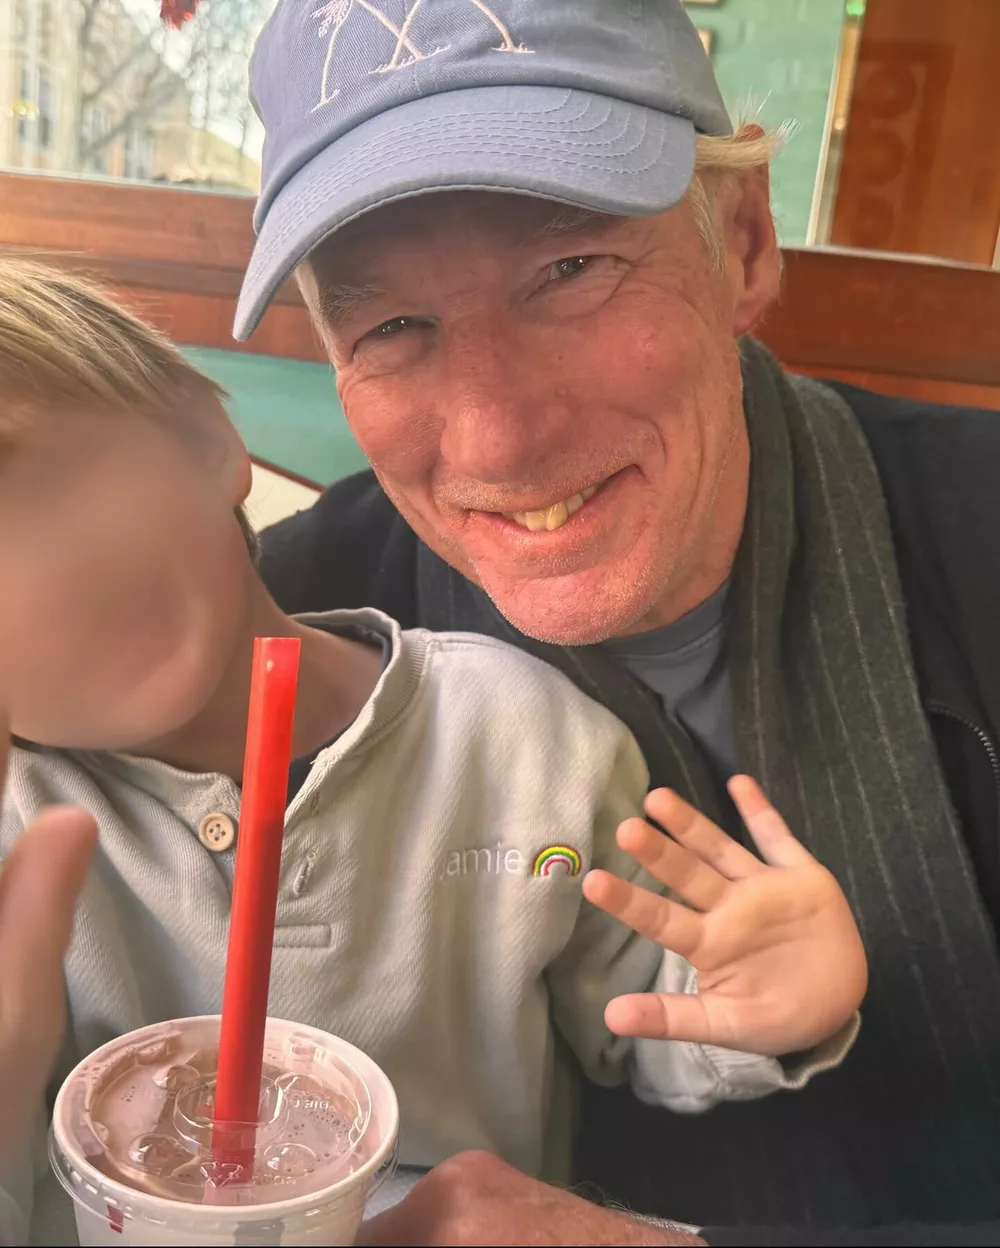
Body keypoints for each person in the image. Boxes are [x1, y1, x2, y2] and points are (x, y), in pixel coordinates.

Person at [234, 0, 1000, 1244]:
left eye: (569, 271)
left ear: (741, 240)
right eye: (392, 328)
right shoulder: (287, 629)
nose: (497, 440)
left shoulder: (973, 534)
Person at [0, 260, 866, 1246]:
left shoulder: (527, 739)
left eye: (48, 487)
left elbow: (636, 1018)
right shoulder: (18, 840)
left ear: (206, 443)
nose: (36, 594)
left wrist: (751, 996)